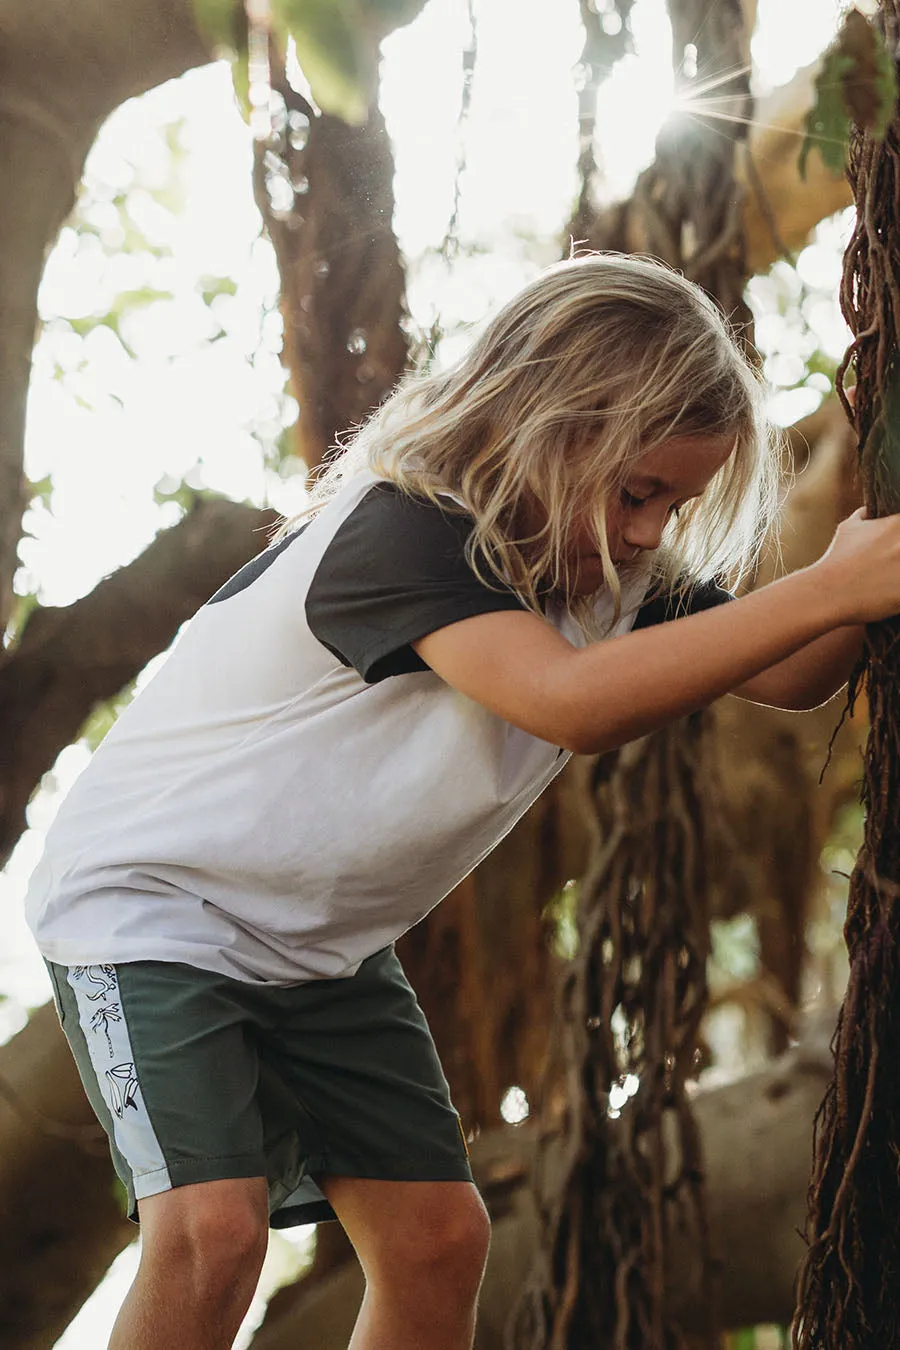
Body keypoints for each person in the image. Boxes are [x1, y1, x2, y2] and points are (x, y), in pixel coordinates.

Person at [24, 253, 900, 1350]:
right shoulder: (403, 531)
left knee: (438, 1243)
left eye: (672, 504)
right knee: (210, 1232)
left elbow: (789, 671)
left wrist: (866, 551)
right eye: (639, 492)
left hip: (319, 946)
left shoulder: (606, 569)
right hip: (153, 911)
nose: (647, 532)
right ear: (548, 423)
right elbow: (570, 702)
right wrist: (830, 588)